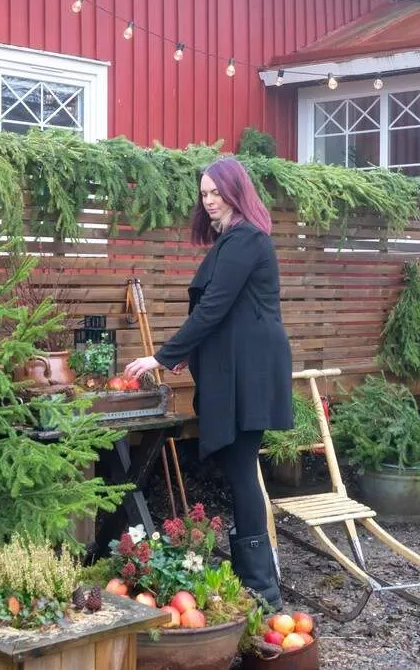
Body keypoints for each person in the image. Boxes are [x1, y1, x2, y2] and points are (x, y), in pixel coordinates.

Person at [123, 156, 293, 608]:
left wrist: (162, 356)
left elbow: (214, 308)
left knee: (241, 471)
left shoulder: (246, 240)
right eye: (204, 194)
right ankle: (255, 582)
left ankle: (262, 589)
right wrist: (190, 355)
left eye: (217, 192)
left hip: (250, 373)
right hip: (237, 367)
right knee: (239, 471)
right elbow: (224, 316)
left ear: (236, 191)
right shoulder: (233, 242)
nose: (210, 201)